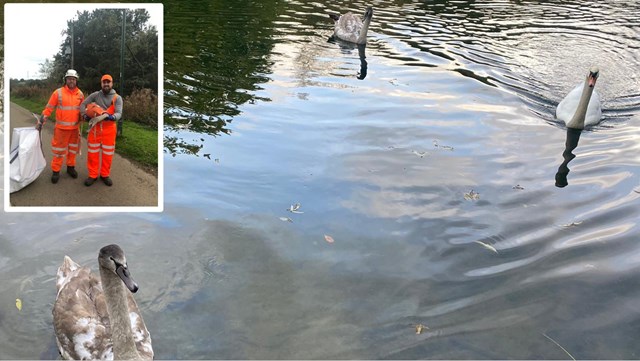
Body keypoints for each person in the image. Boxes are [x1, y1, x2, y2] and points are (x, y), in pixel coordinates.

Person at [38, 69, 84, 183]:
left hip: (74, 129)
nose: (71, 81)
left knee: (73, 150)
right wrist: (42, 120)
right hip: (61, 129)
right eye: (69, 79)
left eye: (73, 79)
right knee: (59, 151)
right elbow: (49, 108)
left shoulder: (80, 94)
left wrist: (85, 116)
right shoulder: (58, 93)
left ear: (76, 80)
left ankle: (70, 168)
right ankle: (56, 171)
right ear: (66, 80)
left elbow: (82, 110)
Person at [80, 74, 123, 187]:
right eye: (104, 82)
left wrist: (112, 117)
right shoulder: (95, 95)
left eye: (108, 82)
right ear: (101, 83)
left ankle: (105, 175)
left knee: (108, 154)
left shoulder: (117, 98)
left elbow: (119, 113)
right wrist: (84, 115)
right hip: (95, 129)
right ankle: (93, 175)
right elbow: (83, 104)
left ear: (112, 83)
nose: (106, 84)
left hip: (109, 130)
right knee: (92, 154)